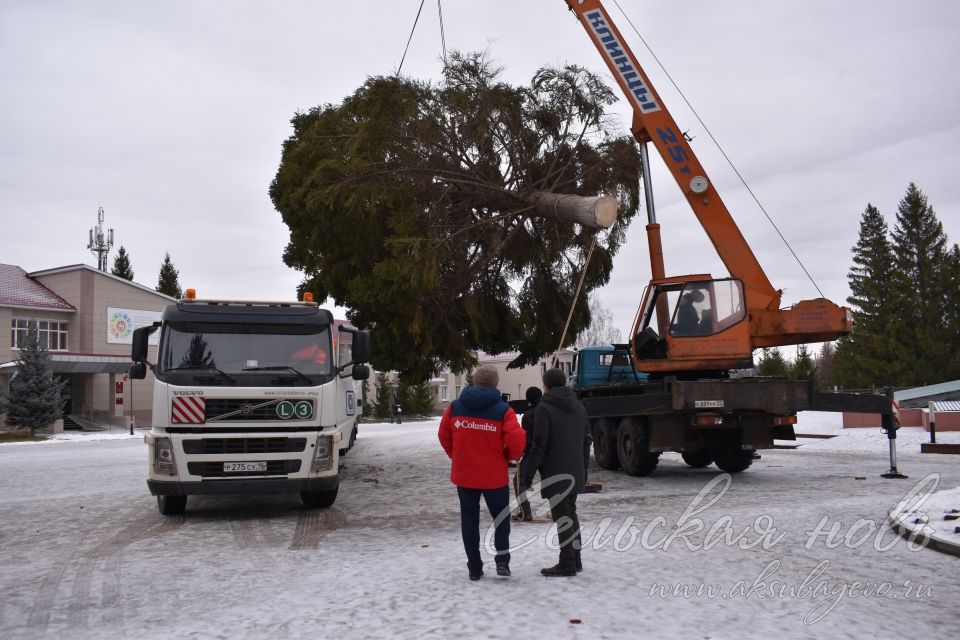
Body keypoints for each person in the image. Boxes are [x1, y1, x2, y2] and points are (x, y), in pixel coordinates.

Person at [438, 365, 526, 581]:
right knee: (501, 518)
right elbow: (517, 440)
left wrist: (457, 456)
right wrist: (509, 457)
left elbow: (443, 435)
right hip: (493, 476)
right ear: (495, 384)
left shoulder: (455, 407)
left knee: (469, 519)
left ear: (475, 381)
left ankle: (474, 567)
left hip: (465, 474)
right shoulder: (503, 410)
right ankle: (502, 560)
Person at [520, 367, 591, 577]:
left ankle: (567, 562)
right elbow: (586, 441)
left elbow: (539, 445)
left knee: (563, 516)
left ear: (547, 386)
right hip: (576, 468)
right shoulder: (579, 406)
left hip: (556, 471)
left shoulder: (544, 408)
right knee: (570, 512)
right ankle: (575, 559)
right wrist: (584, 470)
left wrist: (527, 474)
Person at [513, 386, 542, 521]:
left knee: (519, 481)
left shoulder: (529, 415)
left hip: (533, 454)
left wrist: (521, 452)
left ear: (528, 399)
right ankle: (557, 511)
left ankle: (525, 512)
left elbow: (527, 439)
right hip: (549, 453)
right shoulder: (547, 411)